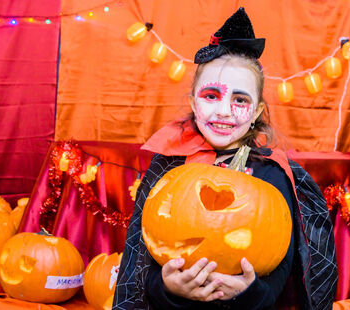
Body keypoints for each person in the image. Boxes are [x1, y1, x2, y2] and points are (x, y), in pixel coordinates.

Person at [113, 7, 337, 310]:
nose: (224, 111)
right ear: (193, 102)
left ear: (257, 111)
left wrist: (250, 292)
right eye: (211, 96)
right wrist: (167, 286)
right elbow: (142, 260)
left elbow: (283, 270)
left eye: (240, 100)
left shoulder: (274, 174)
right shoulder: (170, 165)